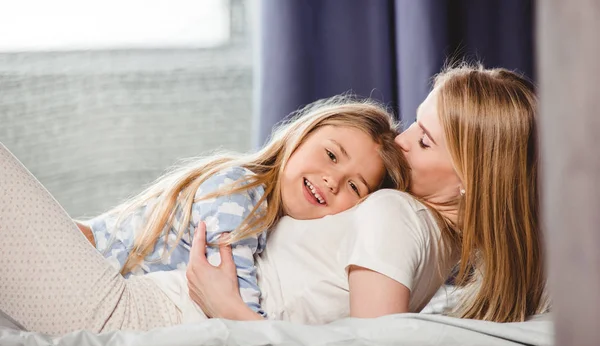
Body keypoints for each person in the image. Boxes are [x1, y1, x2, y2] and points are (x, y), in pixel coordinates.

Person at [0, 96, 408, 335]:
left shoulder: (267, 215)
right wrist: (268, 333)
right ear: (300, 137)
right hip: (82, 259)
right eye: (331, 155)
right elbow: (233, 284)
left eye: (355, 186)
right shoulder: (242, 191)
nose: (332, 180)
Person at [186, 64, 549, 324]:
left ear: (470, 179)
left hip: (187, 305)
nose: (400, 142)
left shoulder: (394, 213)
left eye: (424, 141)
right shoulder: (428, 234)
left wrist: (231, 313)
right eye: (414, 124)